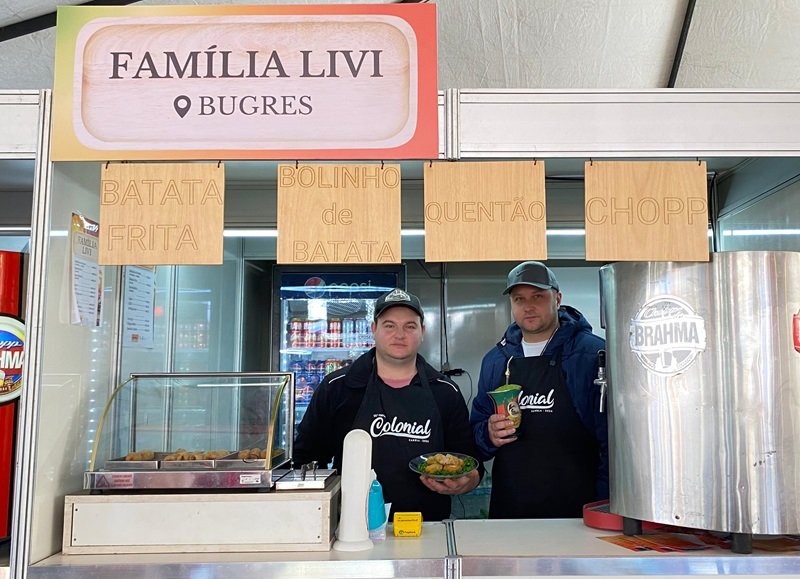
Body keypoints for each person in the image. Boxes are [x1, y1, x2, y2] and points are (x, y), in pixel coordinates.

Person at [294, 288, 482, 520]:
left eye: (410, 326)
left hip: (427, 528)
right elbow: (306, 458)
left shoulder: (445, 391)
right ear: (374, 329)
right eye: (389, 325)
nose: (399, 334)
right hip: (352, 528)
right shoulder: (338, 387)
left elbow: (469, 463)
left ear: (422, 331)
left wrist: (465, 482)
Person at [470, 261, 608, 519]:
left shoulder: (591, 354)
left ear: (557, 298)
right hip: (511, 511)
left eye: (538, 297)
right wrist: (487, 434)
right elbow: (476, 434)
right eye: (519, 299)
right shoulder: (496, 360)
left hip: (579, 512)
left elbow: (611, 442)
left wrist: (604, 509)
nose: (528, 306)